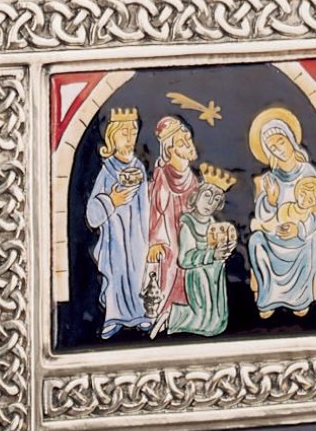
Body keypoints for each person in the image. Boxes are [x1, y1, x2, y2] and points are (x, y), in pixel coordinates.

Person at [247, 110, 316, 318]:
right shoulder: (271, 177)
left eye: (280, 142)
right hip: (276, 236)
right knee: (256, 240)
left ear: (290, 140)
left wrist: (299, 229)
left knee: (314, 241)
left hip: (300, 237)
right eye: (272, 147)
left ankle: (300, 300)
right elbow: (262, 215)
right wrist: (271, 200)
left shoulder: (308, 172)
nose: (279, 149)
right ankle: (268, 299)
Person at [85, 109, 149, 338]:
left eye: (133, 132)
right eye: (124, 133)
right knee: (117, 273)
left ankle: (140, 314)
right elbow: (92, 214)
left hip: (137, 236)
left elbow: (145, 206)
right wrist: (112, 200)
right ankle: (114, 317)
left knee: (137, 272)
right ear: (112, 137)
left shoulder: (139, 168)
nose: (130, 137)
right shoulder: (107, 170)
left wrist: (148, 237)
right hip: (115, 236)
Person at [162, 169, 237, 337]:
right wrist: (212, 255)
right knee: (205, 319)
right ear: (196, 196)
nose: (210, 202)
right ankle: (173, 316)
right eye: (207, 195)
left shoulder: (213, 224)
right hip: (198, 276)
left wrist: (224, 251)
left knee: (217, 321)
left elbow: (217, 250)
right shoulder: (188, 224)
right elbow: (184, 259)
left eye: (216, 199)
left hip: (214, 277)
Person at [143, 116, 200, 329]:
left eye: (188, 138)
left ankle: (188, 314)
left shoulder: (191, 178)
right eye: (182, 142)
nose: (188, 144)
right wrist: (156, 242)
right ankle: (166, 314)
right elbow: (156, 213)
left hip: (189, 236)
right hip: (169, 238)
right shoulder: (163, 177)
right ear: (170, 149)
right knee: (173, 262)